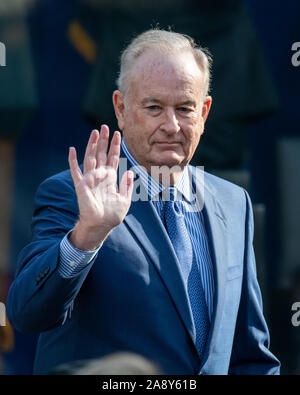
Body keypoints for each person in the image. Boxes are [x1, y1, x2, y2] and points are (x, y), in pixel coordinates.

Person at [6, 29, 280, 375]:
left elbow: (250, 356)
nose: (171, 125)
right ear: (120, 109)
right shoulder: (74, 194)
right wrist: (86, 236)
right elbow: (26, 313)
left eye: (184, 108)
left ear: (205, 112)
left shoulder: (233, 203)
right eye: (154, 107)